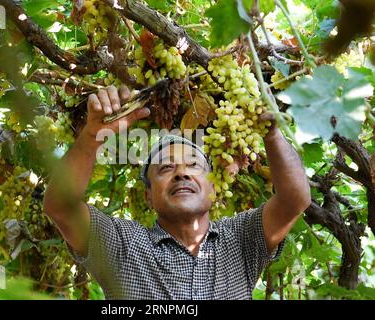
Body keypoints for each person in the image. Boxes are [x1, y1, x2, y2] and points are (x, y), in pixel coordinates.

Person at [43, 85, 311, 299]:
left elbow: (294, 199)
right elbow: (61, 207)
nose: (181, 173)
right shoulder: (122, 246)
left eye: (194, 165)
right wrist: (91, 137)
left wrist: (272, 133)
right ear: (148, 197)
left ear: (214, 187)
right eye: (166, 168)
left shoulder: (241, 239)